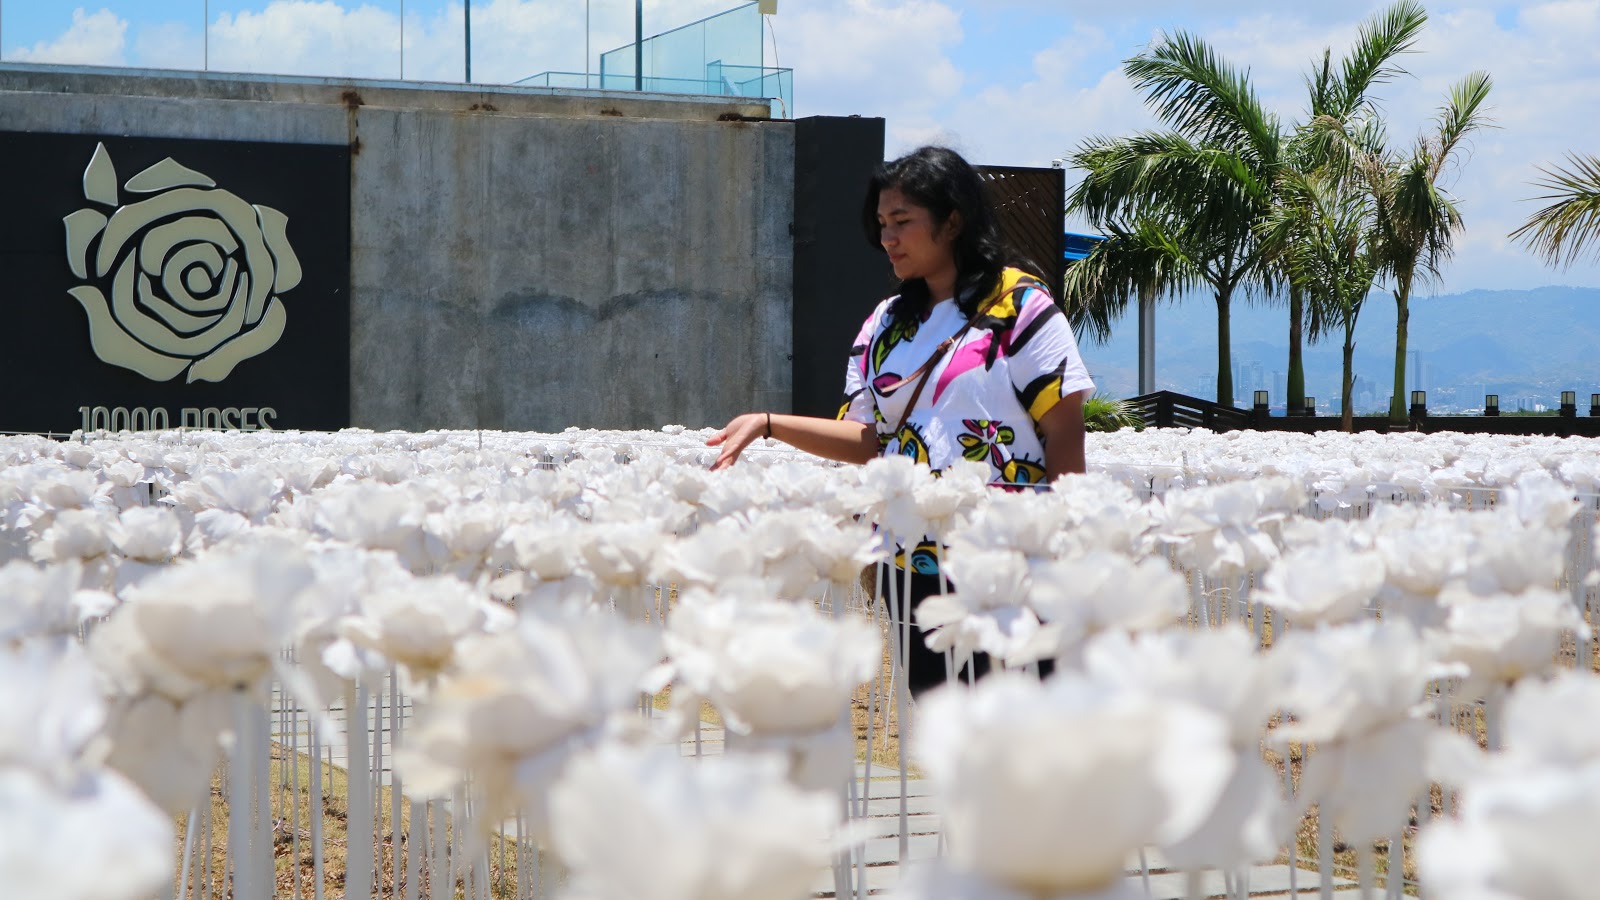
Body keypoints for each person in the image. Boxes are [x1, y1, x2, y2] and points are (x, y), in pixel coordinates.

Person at [708, 145, 1094, 693]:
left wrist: (1068, 539)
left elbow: (1064, 426)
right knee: (938, 712)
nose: (887, 237)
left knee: (1021, 717)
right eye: (882, 223)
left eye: (902, 221)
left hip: (1011, 558)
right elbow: (868, 439)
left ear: (953, 221)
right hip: (912, 560)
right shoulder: (886, 325)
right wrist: (769, 423)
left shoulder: (1020, 306)